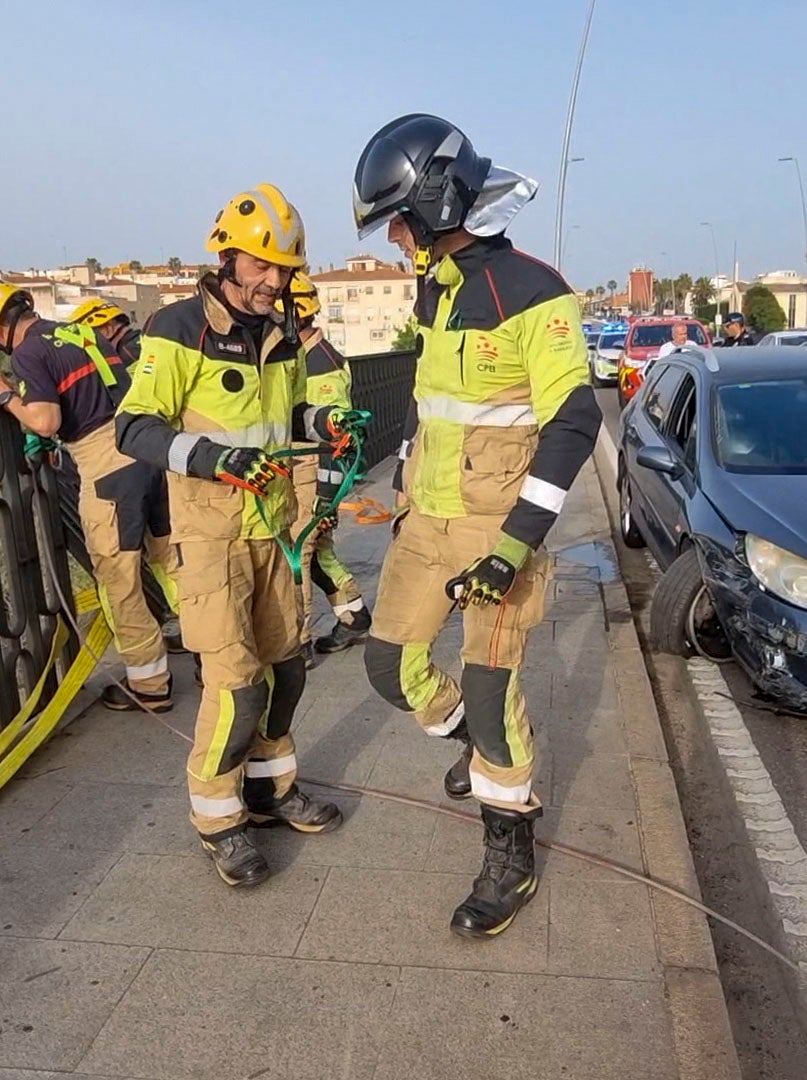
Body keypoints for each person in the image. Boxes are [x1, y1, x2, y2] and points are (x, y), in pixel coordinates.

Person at [353, 114, 600, 939]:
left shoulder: (537, 293)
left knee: (495, 697)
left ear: (434, 201)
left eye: (395, 219)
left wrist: (516, 546)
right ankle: (470, 743)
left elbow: (572, 425)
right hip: (425, 523)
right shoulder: (437, 287)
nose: (391, 238)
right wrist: (399, 492)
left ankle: (509, 848)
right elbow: (435, 412)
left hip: (501, 532)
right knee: (390, 668)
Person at [115, 184, 365, 888]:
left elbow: (282, 425)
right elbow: (134, 428)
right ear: (225, 256)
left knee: (287, 668)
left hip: (275, 533)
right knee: (235, 686)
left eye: (284, 270)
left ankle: (270, 790)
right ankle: (218, 819)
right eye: (261, 266)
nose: (273, 282)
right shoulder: (176, 327)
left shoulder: (281, 333)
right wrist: (214, 459)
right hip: (214, 541)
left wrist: (324, 428)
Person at [0, 278, 174, 714]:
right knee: (172, 559)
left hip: (105, 464)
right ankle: (212, 652)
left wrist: (4, 394)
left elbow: (45, 420)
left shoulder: (28, 353)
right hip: (148, 449)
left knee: (119, 577)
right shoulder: (77, 331)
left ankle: (149, 681)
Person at [70, 299, 182, 646]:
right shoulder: (145, 345)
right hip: (163, 462)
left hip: (128, 463)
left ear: (104, 328)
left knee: (118, 573)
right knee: (170, 559)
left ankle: (146, 672)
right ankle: (201, 643)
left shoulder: (129, 356)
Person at [277, 273, 372, 665]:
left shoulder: (322, 365)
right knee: (318, 552)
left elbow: (334, 436)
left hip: (316, 477)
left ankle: (296, 645)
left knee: (295, 557)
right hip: (305, 475)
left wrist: (326, 499)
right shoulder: (303, 357)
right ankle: (353, 617)